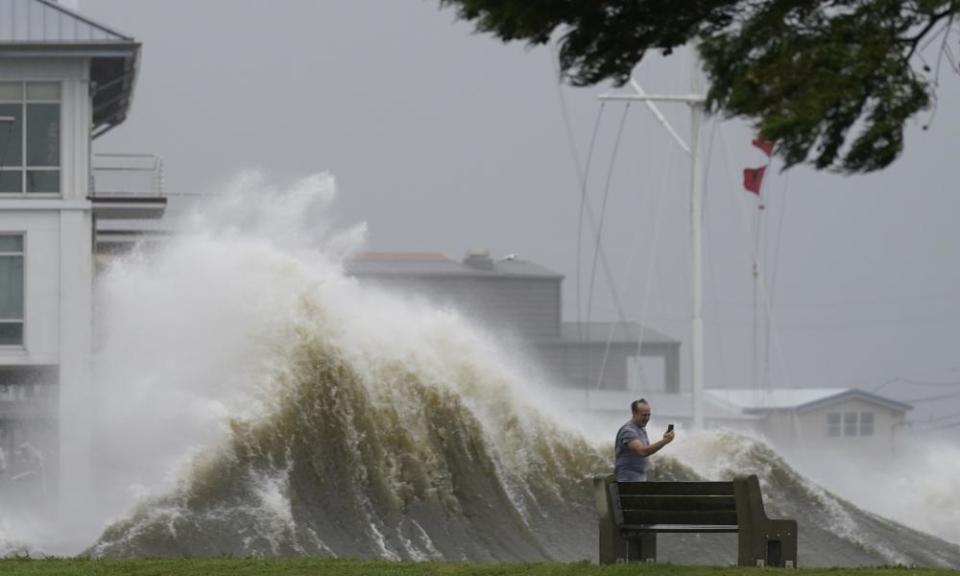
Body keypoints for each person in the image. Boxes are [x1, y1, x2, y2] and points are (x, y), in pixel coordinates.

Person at [614, 398, 674, 481]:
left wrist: (664, 439)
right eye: (644, 415)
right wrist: (664, 441)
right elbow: (642, 451)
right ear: (634, 413)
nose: (647, 418)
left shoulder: (641, 429)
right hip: (626, 482)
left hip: (639, 480)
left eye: (648, 415)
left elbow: (646, 450)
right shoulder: (628, 431)